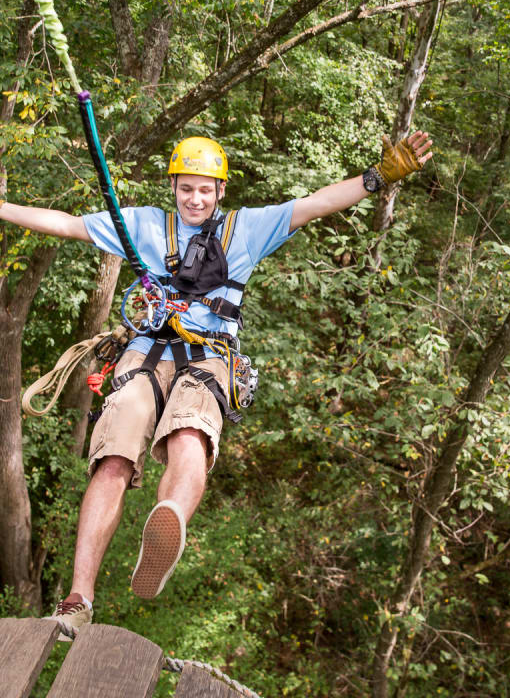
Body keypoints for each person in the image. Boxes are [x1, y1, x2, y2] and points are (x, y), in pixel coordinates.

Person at [0, 130, 432, 637]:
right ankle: (78, 599)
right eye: (186, 189)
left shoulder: (245, 230)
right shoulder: (140, 224)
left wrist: (378, 177)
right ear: (174, 186)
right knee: (114, 454)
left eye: (205, 189)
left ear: (220, 190)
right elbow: (68, 225)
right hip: (143, 354)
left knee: (189, 434)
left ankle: (168, 521)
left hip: (209, 357)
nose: (195, 199)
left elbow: (315, 205)